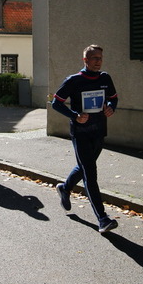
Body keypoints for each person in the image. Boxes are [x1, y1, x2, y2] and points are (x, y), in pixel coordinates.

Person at [51, 44, 119, 234]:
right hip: (80, 133)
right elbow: (56, 103)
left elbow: (113, 98)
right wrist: (75, 116)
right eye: (94, 58)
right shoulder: (74, 80)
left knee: (84, 167)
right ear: (85, 60)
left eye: (100, 58)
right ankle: (103, 219)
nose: (98, 61)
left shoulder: (105, 78)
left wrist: (111, 107)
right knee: (90, 172)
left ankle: (65, 188)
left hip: (99, 131)